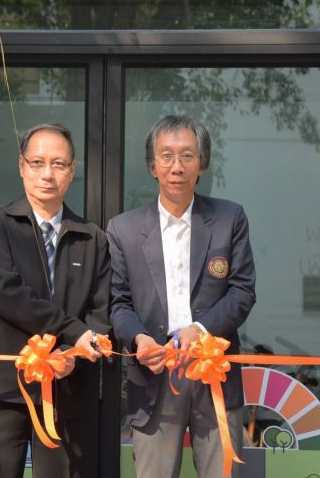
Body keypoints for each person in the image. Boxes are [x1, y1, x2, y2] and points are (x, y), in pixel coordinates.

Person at [108, 115, 257, 477]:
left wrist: (200, 329)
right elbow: (118, 303)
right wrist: (139, 338)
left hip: (213, 372)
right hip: (154, 375)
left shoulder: (228, 218)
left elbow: (242, 291)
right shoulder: (124, 229)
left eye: (187, 156)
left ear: (202, 164)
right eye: (167, 156)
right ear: (152, 166)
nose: (177, 167)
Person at [0, 123, 111, 478]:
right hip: (2, 391)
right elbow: (7, 294)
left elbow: (102, 309)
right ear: (21, 166)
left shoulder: (92, 238)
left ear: (72, 170)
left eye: (59, 164)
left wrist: (73, 355)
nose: (47, 174)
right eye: (37, 162)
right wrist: (70, 330)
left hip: (68, 395)